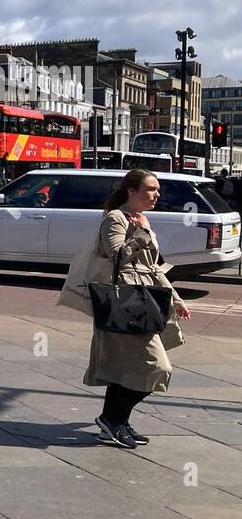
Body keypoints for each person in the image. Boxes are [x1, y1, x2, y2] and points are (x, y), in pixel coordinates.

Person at [83, 169, 190, 449]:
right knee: (157, 366)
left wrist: (175, 298)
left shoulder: (142, 219)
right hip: (126, 300)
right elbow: (117, 256)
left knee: (127, 367)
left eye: (157, 190)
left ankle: (116, 421)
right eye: (150, 189)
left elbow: (152, 266)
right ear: (131, 191)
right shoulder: (115, 218)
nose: (156, 195)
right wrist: (141, 231)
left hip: (145, 298)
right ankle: (111, 419)